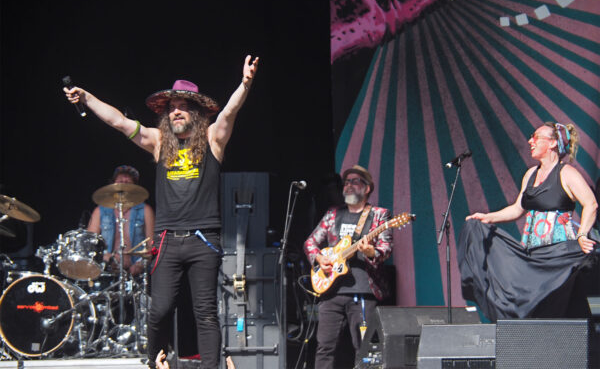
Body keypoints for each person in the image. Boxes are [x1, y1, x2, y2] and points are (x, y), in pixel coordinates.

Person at [64, 55, 259, 368]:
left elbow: (229, 112)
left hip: (203, 239)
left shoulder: (212, 140)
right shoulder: (159, 143)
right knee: (159, 309)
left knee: (206, 313)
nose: (176, 111)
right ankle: (156, 362)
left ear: (195, 112)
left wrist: (245, 84)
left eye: (182, 106)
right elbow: (119, 121)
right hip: (167, 240)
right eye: (171, 107)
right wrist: (86, 97)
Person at [459, 122, 598, 321]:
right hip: (532, 253)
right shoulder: (530, 174)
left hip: (560, 256)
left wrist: (583, 233)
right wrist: (487, 217)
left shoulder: (566, 173)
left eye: (536, 137)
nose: (530, 141)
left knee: (557, 309)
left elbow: (591, 204)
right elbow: (517, 209)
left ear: (552, 143)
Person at [303, 165, 393, 369]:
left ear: (367, 187)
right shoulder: (333, 214)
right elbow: (310, 242)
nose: (349, 186)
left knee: (365, 349)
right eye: (346, 182)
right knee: (324, 347)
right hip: (331, 291)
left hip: (363, 292)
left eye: (355, 181)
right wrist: (319, 258)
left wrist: (371, 252)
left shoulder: (379, 215)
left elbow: (386, 248)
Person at [87, 165, 154, 276]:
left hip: (136, 273)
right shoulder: (100, 211)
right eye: (120, 179)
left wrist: (140, 265)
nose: (124, 181)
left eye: (128, 179)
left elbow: (152, 245)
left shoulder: (145, 210)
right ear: (113, 184)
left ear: (135, 186)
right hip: (107, 272)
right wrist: (106, 257)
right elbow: (90, 244)